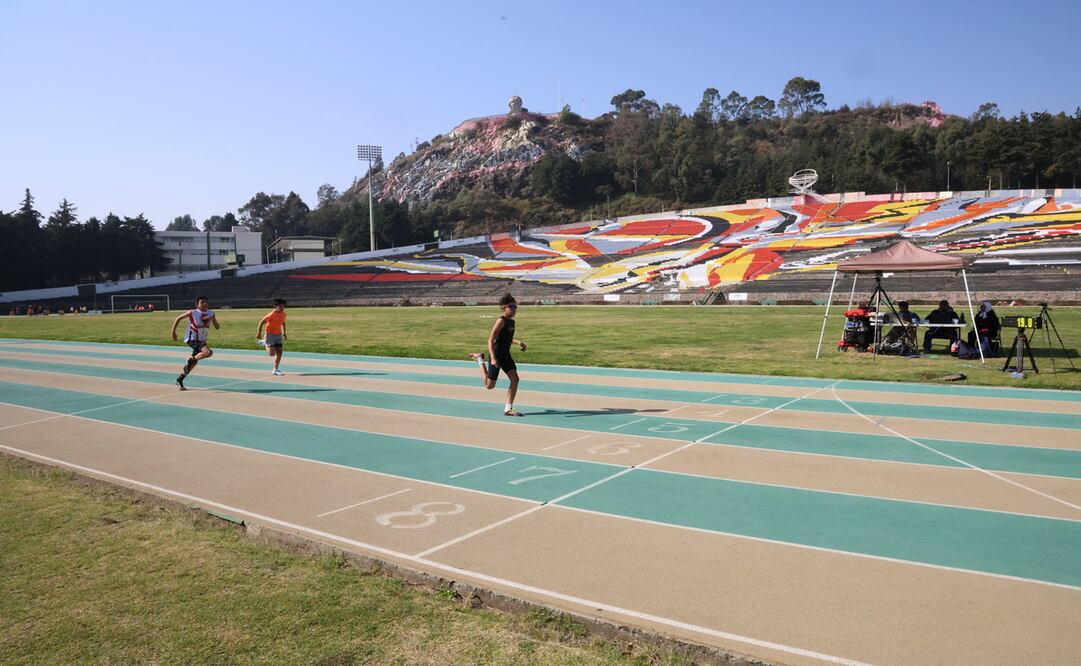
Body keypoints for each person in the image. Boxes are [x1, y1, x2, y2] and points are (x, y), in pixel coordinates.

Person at [469, 293, 527, 417]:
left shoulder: (512, 322)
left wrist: (519, 342)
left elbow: (506, 339)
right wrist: (493, 358)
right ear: (504, 308)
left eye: (515, 307)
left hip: (506, 356)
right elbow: (490, 339)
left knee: (515, 379)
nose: (514, 309)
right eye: (511, 306)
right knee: (489, 386)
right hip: (497, 356)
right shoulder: (500, 321)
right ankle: (479, 359)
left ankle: (508, 409)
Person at [170, 295, 219, 390]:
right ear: (197, 305)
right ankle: (191, 359)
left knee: (193, 364)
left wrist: (213, 319)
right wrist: (173, 332)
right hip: (192, 338)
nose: (205, 304)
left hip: (201, 340)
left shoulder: (211, 313)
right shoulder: (193, 313)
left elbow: (217, 327)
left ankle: (179, 379)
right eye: (202, 302)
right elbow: (178, 318)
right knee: (208, 352)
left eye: (206, 302)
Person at [257, 298, 288, 376]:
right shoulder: (271, 314)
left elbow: (283, 323)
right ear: (276, 306)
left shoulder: (284, 314)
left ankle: (275, 369)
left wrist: (284, 334)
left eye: (283, 306)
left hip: (278, 335)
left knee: (280, 352)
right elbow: (261, 322)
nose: (282, 308)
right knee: (271, 354)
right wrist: (259, 334)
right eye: (281, 306)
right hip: (270, 334)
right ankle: (265, 342)